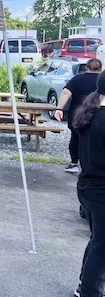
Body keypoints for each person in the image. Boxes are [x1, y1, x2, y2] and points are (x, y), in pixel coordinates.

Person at [71, 70, 105, 297]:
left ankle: (86, 284)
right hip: (100, 191)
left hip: (88, 187)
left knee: (98, 242)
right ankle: (90, 291)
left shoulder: (90, 113)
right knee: (101, 246)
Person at [55, 58, 102, 173]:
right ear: (100, 69)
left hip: (77, 114)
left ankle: (74, 163)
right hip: (98, 114)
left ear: (86, 67)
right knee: (96, 140)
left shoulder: (77, 79)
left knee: (75, 138)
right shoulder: (101, 81)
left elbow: (66, 93)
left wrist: (59, 108)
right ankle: (93, 165)